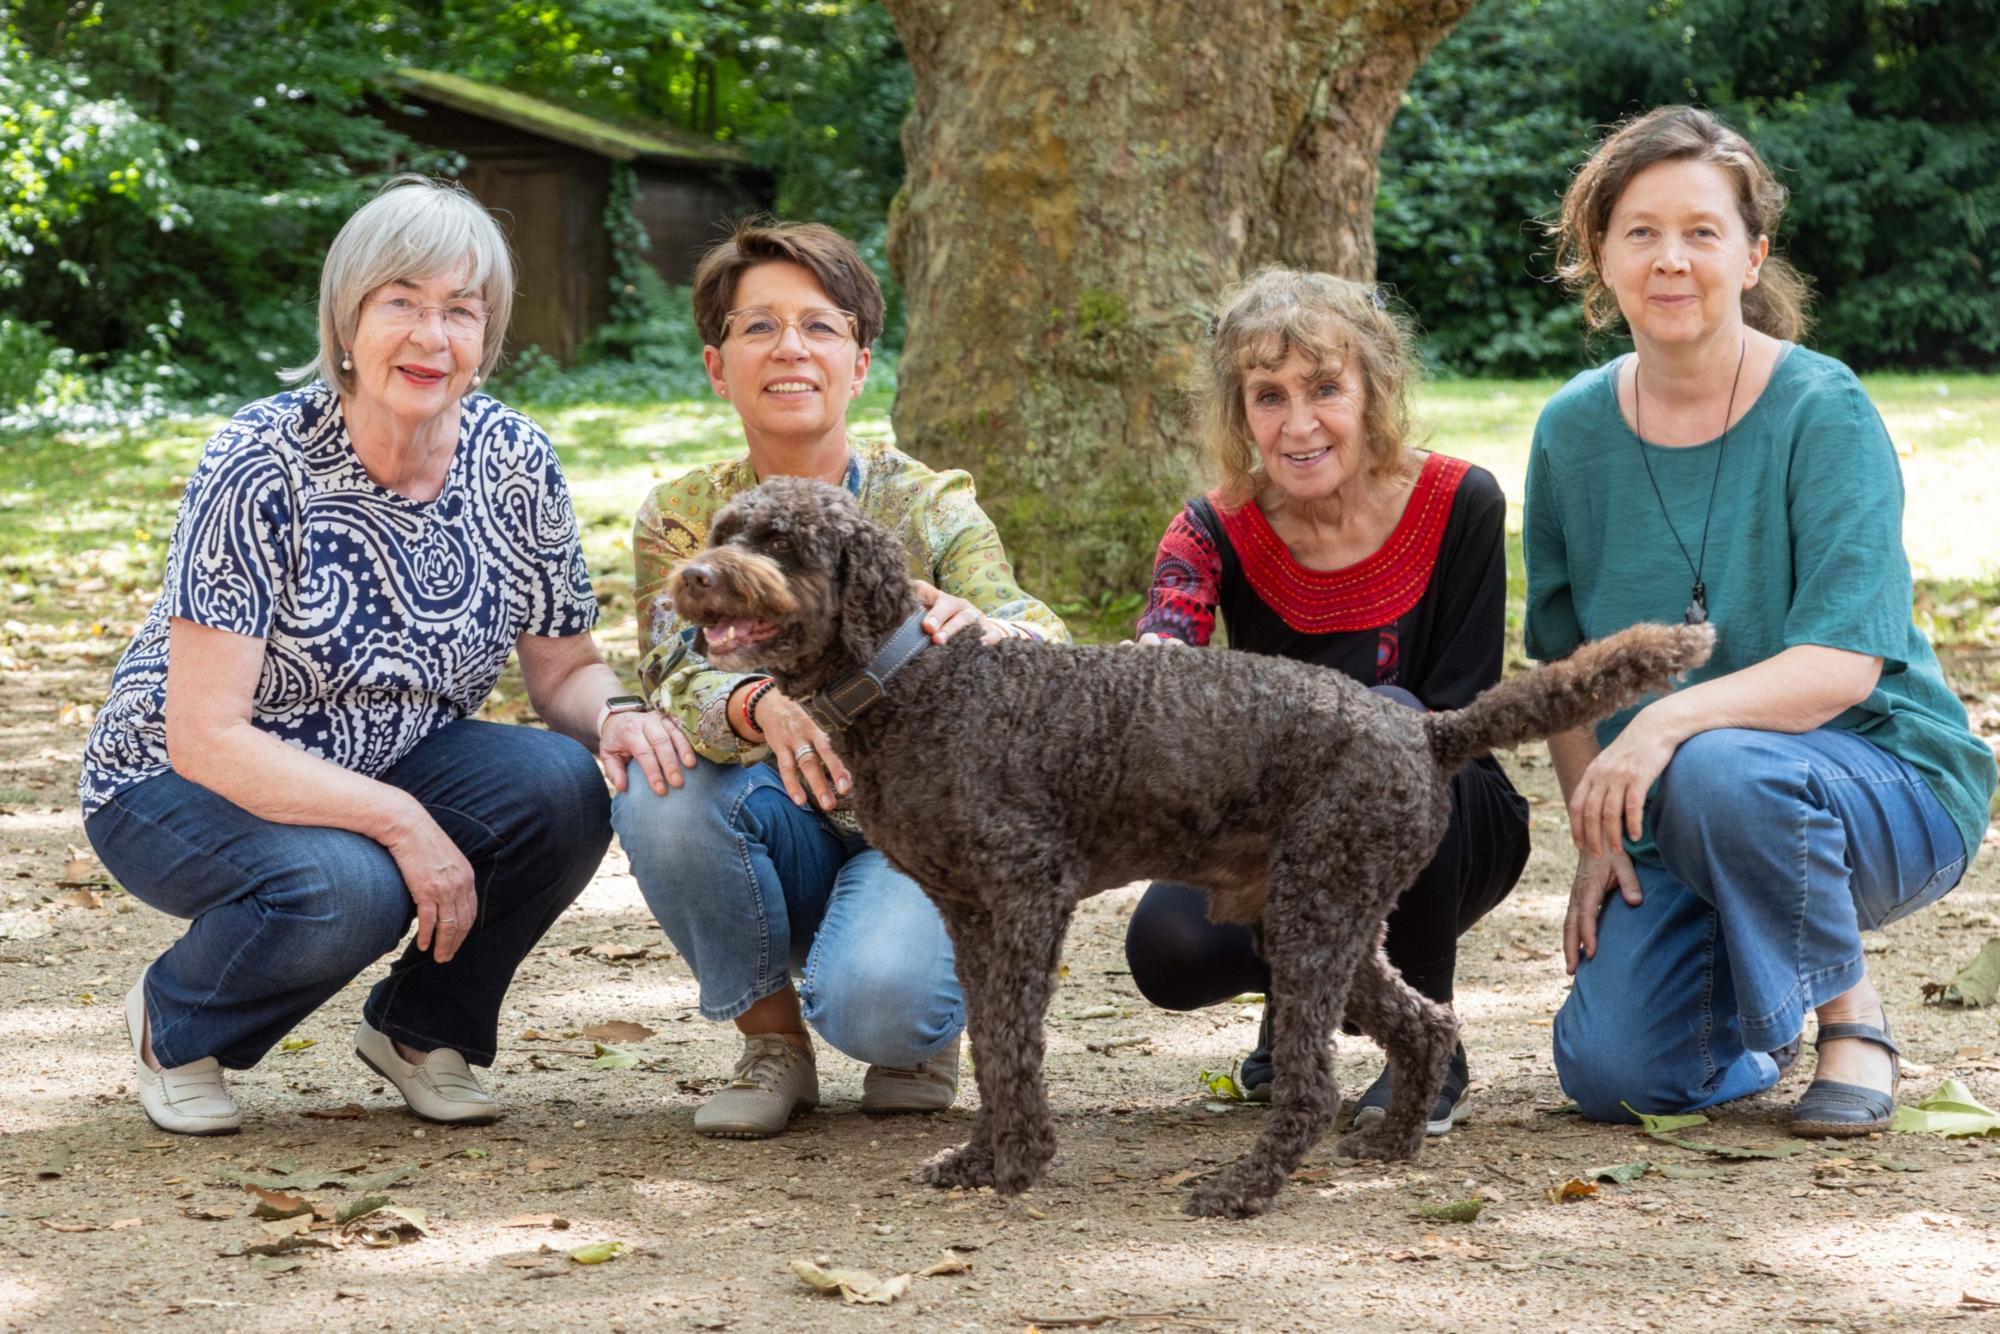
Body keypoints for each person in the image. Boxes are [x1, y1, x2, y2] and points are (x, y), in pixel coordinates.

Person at [78, 177, 691, 1135]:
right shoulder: (259, 460)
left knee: (567, 786)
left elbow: (564, 668)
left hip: (385, 750)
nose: (431, 337)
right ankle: (177, 1021)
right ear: (346, 319)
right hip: (175, 778)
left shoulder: (514, 460)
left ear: (487, 334)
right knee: (347, 886)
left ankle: (422, 1031)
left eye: (460, 309)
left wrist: (616, 713)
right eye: (400, 302)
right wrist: (402, 823)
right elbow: (204, 735)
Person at [1527, 106, 1996, 1135]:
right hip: (1683, 807)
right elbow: (1566, 668)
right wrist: (1593, 837)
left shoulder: (1822, 410)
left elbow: (1839, 666)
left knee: (1716, 764)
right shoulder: (1567, 430)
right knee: (1609, 1072)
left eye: (1702, 230)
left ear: (1751, 256)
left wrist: (1660, 724)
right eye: (1639, 231)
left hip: (1880, 780)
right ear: (1597, 255)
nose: (1669, 258)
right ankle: (1758, 1006)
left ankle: (1849, 1017)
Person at [611, 219, 1068, 1139]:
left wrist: (985, 627)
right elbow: (668, 672)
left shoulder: (930, 505)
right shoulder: (684, 515)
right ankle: (773, 1045)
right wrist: (754, 702)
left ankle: (915, 1028)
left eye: (821, 327)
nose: (791, 349)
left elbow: (1044, 639)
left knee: (881, 1006)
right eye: (759, 327)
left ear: (858, 364)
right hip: (782, 813)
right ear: (716, 363)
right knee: (650, 783)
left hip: (926, 831)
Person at [1123, 268, 1529, 1134]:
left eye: (1326, 389)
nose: (1299, 425)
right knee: (1170, 947)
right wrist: (1158, 668)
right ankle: (1298, 1011)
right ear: (1241, 415)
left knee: (1389, 729)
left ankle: (1427, 1045)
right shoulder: (1213, 525)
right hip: (1280, 821)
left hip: (1452, 811)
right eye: (1269, 396)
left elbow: (1458, 715)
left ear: (1373, 391)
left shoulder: (1461, 501)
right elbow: (1169, 638)